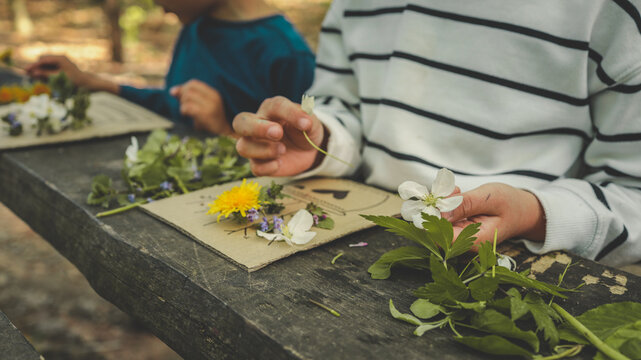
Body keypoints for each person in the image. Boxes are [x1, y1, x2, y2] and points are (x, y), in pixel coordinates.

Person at [233, 1, 641, 266]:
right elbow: (346, 109)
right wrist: (322, 142)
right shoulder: (356, 6)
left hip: (521, 262)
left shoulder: (612, 13)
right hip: (362, 235)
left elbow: (633, 196)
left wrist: (534, 213)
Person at [26, 0, 315, 137]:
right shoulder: (196, 26)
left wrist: (224, 130)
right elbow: (173, 103)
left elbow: (304, 160)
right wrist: (93, 82)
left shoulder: (288, 55)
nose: (155, 4)